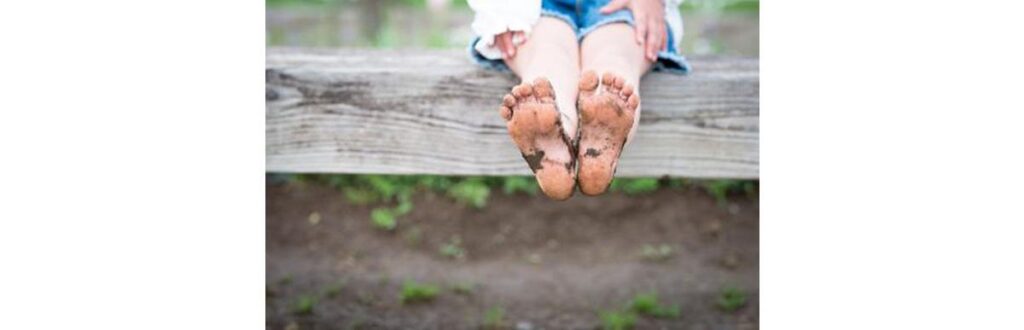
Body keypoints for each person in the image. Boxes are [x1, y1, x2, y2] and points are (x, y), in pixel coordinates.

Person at [469, 0, 690, 200]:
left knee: (547, 64)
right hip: (533, 7)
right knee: (614, 63)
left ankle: (561, 127)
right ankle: (586, 135)